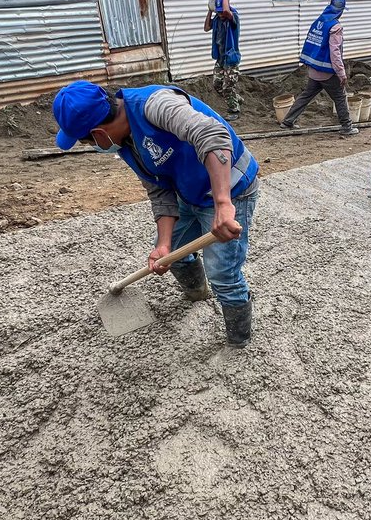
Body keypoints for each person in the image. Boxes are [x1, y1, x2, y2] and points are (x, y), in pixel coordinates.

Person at [52, 81, 260, 346]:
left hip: (231, 187)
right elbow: (159, 191)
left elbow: (212, 135)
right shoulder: (127, 143)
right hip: (191, 192)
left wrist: (222, 204)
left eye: (86, 141)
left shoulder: (157, 106)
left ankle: (239, 342)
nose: (92, 145)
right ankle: (198, 293)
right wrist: (163, 245)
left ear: (99, 135)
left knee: (222, 272)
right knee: (173, 254)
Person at [281, 0, 357, 135]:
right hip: (327, 71)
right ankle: (347, 127)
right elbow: (335, 52)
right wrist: (341, 73)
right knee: (340, 97)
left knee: (306, 95)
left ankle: (287, 121)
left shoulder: (319, 21)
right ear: (340, 11)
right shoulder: (335, 27)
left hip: (314, 69)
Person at [202, 0, 241, 121]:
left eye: (221, 13)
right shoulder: (218, 19)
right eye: (218, 13)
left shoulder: (233, 18)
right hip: (220, 58)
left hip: (231, 59)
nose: (221, 15)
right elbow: (206, 27)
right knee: (217, 84)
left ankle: (234, 110)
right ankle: (236, 99)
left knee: (228, 87)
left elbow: (226, 11)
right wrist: (210, 9)